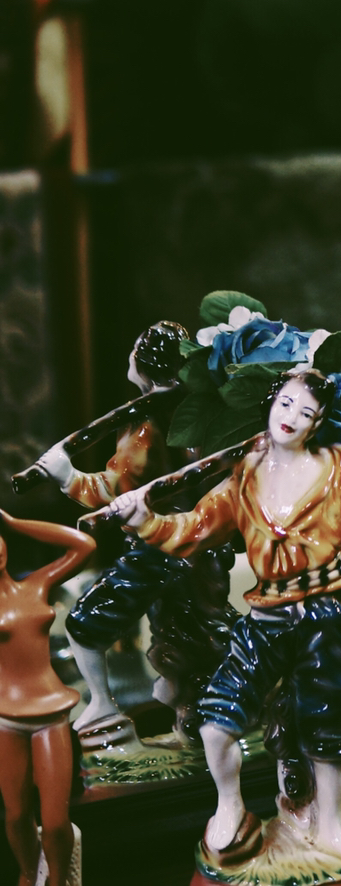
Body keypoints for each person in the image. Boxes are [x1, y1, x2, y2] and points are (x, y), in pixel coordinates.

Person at [104, 368, 341, 867]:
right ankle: (229, 807)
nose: (292, 417)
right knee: (216, 723)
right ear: (271, 405)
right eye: (286, 403)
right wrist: (144, 519)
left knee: (325, 727)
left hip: (327, 613)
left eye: (307, 412)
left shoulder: (338, 468)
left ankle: (330, 828)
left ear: (318, 423)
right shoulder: (244, 478)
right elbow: (194, 529)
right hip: (268, 614)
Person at [24, 320, 236, 749]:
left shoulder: (145, 423)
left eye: (134, 350)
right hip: (204, 543)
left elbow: (114, 489)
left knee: (84, 623)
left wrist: (66, 476)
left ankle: (103, 705)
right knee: (187, 629)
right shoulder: (206, 410)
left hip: (158, 542)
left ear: (143, 363)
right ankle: (197, 713)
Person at [0, 510, 95, 886]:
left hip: (52, 712)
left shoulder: (35, 585)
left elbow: (84, 545)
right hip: (6, 718)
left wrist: (13, 521)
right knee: (16, 814)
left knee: (55, 820)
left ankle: (58, 882)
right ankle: (26, 873)